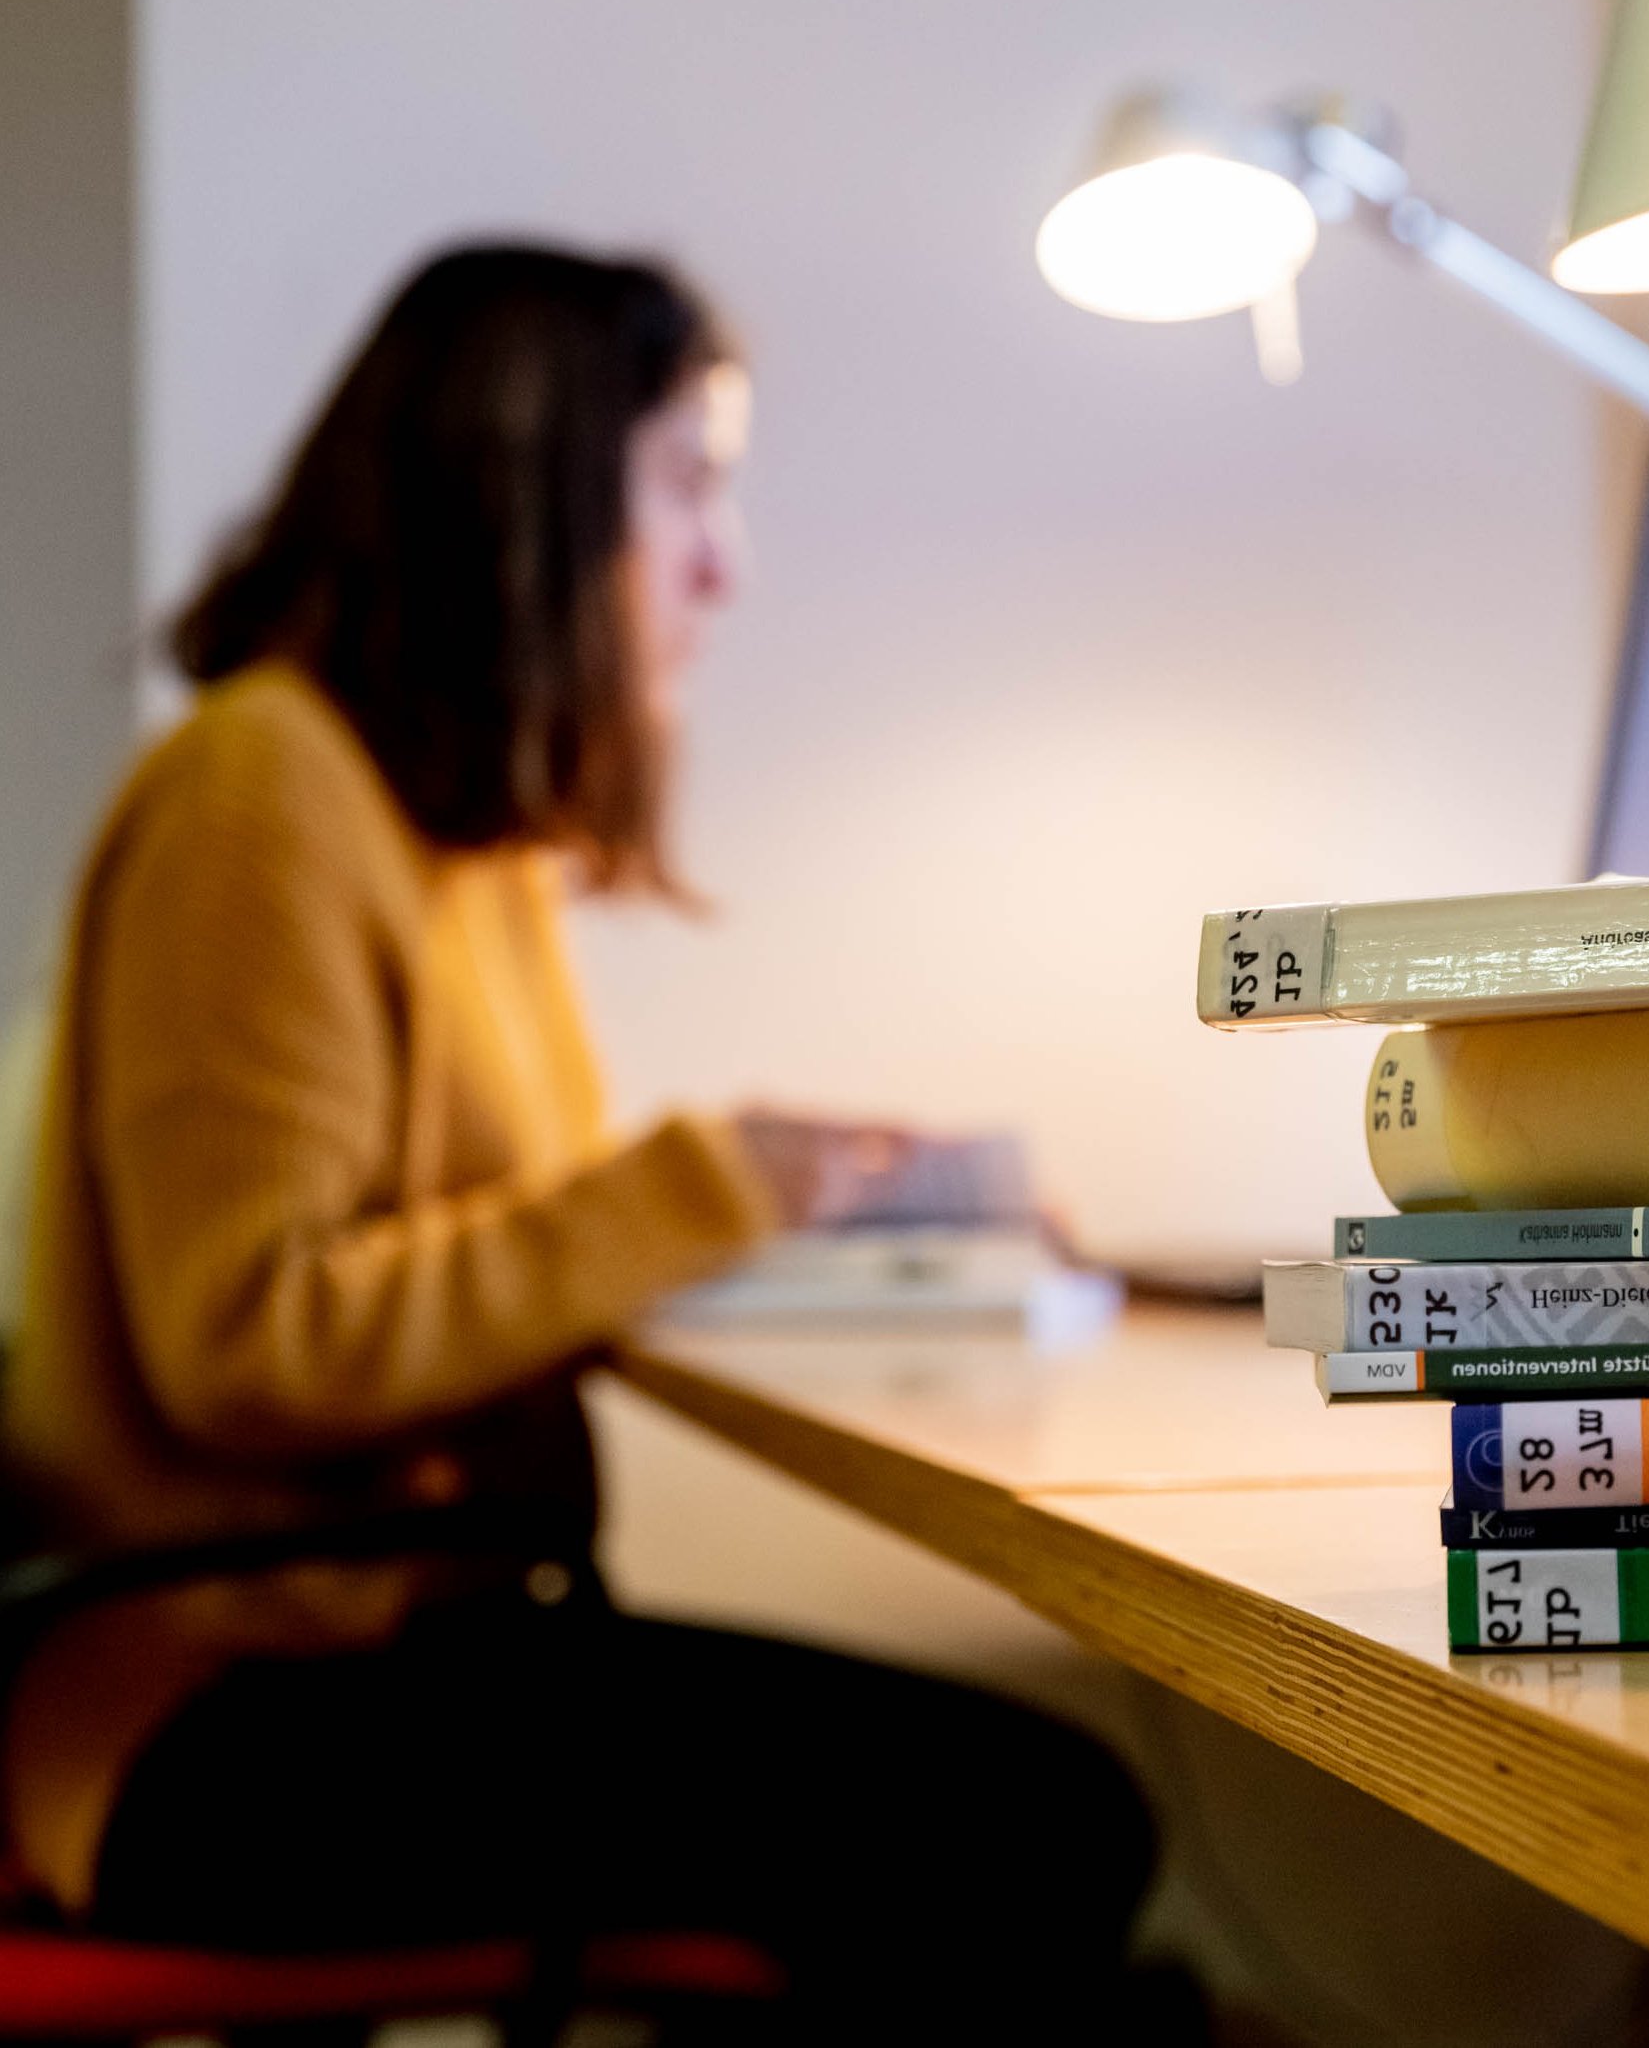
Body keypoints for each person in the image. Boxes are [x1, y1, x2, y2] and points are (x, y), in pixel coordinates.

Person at [0, 243, 1198, 2041]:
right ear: (533, 492)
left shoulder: (453, 842)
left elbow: (483, 1244)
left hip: (389, 1653)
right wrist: (703, 1184)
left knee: (1003, 1844)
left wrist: (827, 1228)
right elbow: (244, 1337)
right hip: (219, 1715)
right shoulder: (263, 793)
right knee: (1027, 1829)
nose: (727, 560)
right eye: (690, 486)